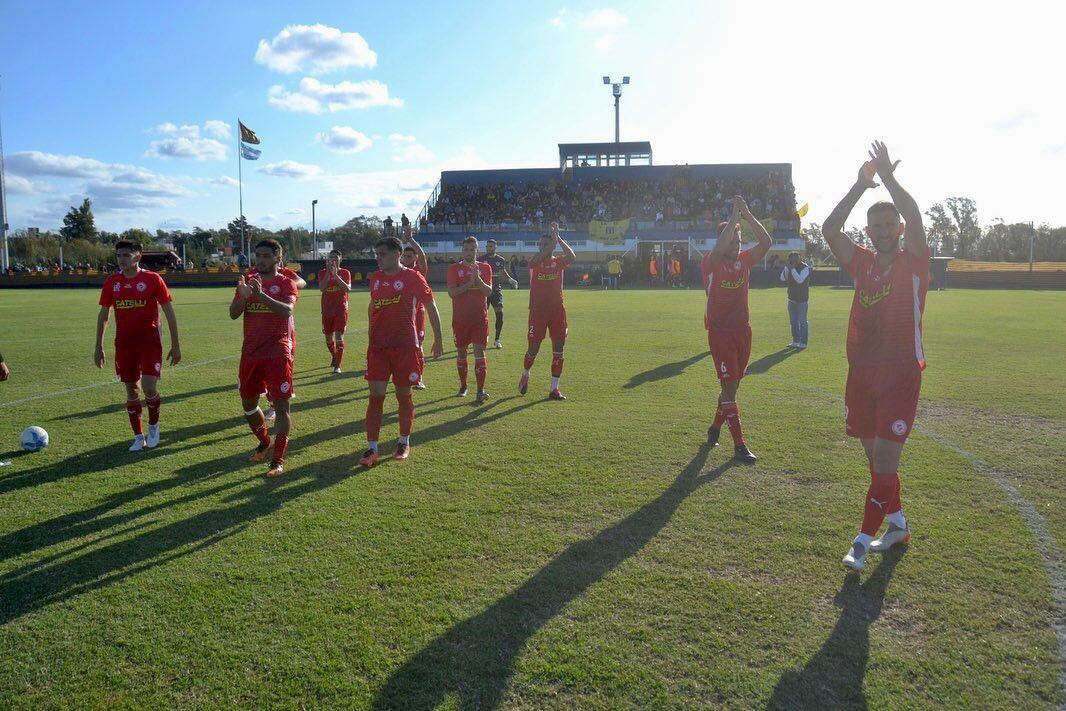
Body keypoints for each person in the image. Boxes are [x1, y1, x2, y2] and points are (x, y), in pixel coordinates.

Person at [822, 141, 930, 572]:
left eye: (889, 225)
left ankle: (863, 541)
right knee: (875, 461)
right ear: (869, 233)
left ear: (900, 229)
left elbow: (917, 213)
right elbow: (831, 230)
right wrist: (859, 185)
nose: (883, 231)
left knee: (885, 462)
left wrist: (886, 177)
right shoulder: (862, 262)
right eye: (876, 226)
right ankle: (898, 523)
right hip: (862, 374)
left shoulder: (916, 261)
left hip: (901, 374)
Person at [360, 237, 444, 466]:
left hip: (405, 346)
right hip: (377, 347)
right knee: (375, 396)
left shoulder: (412, 277)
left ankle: (403, 441)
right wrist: (370, 332)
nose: (378, 258)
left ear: (397, 254)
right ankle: (372, 448)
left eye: (382, 254)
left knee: (403, 396)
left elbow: (431, 305)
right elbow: (372, 306)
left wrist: (438, 337)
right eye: (376, 254)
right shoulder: (375, 278)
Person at [701, 196, 772, 463]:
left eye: (738, 241)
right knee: (729, 388)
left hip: (743, 331)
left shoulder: (744, 261)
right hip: (720, 334)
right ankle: (740, 446)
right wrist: (733, 218)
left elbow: (766, 243)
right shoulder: (711, 261)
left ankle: (715, 427)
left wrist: (747, 214)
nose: (736, 244)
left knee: (733, 387)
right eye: (731, 239)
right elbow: (720, 250)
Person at [95, 240, 181, 451]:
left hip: (150, 341)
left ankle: (153, 425)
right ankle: (137, 435)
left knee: (149, 387)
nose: (121, 259)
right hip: (124, 344)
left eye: (126, 255)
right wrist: (98, 346)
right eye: (118, 255)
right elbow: (104, 314)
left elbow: (169, 311)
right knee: (132, 390)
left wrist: (176, 344)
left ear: (137, 257)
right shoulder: (112, 282)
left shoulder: (152, 279)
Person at [229, 239, 299, 478]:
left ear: (278, 258)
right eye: (258, 255)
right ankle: (264, 441)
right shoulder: (246, 282)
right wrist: (244, 296)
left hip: (277, 352)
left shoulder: (286, 283)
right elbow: (233, 314)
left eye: (266, 256)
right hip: (250, 353)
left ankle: (278, 460)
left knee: (281, 406)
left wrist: (261, 296)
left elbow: (287, 310)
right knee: (248, 404)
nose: (260, 260)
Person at [520, 222, 575, 400]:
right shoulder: (534, 262)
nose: (543, 247)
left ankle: (554, 389)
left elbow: (572, 256)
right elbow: (541, 256)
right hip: (537, 312)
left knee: (559, 350)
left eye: (546, 244)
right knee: (533, 349)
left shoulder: (558, 262)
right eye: (541, 245)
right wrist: (552, 243)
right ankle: (526, 374)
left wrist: (558, 238)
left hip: (557, 311)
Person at [447, 237, 494, 402]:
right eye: (466, 249)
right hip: (460, 320)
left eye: (472, 249)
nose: (469, 252)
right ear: (462, 251)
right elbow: (452, 292)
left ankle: (480, 390)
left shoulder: (485, 267)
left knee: (479, 353)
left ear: (477, 251)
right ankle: (463, 386)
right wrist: (468, 284)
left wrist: (478, 279)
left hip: (480, 319)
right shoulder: (454, 269)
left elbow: (488, 292)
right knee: (461, 353)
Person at [400, 238, 429, 389]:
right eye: (404, 256)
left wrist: (411, 239)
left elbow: (423, 257)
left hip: (417, 314)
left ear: (415, 257)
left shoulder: (419, 271)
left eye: (410, 256)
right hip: (401, 316)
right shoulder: (399, 272)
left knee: (419, 346)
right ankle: (402, 375)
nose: (406, 259)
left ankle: (419, 378)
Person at [479, 238, 519, 348]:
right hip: (484, 292)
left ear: (495, 247)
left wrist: (510, 279)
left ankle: (497, 340)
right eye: (487, 246)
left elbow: (502, 271)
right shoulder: (480, 260)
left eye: (491, 246)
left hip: (496, 291)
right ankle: (481, 337)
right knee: (482, 317)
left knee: (500, 314)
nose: (488, 248)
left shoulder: (500, 260)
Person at [318, 249, 352, 374]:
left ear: (340, 259)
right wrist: (329, 273)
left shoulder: (345, 272)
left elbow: (347, 289)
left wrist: (336, 275)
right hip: (326, 310)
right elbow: (322, 288)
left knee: (338, 337)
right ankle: (334, 355)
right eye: (330, 257)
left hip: (340, 310)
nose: (333, 259)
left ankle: (337, 365)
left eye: (335, 257)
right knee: (328, 339)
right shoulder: (322, 273)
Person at [779, 252, 811, 349]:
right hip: (792, 298)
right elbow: (782, 278)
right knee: (793, 321)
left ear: (799, 259)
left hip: (802, 299)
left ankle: (803, 342)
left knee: (802, 321)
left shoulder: (805, 268)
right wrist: (786, 268)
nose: (794, 261)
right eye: (791, 259)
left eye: (795, 258)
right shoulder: (789, 267)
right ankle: (795, 341)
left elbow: (799, 280)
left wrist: (792, 269)